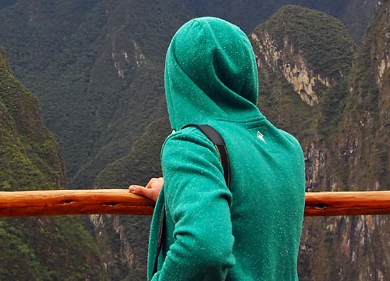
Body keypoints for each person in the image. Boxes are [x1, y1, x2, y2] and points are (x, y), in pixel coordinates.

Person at [129, 17, 305, 280]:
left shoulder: (192, 144)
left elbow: (205, 249)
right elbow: (250, 207)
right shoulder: (288, 148)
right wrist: (174, 194)